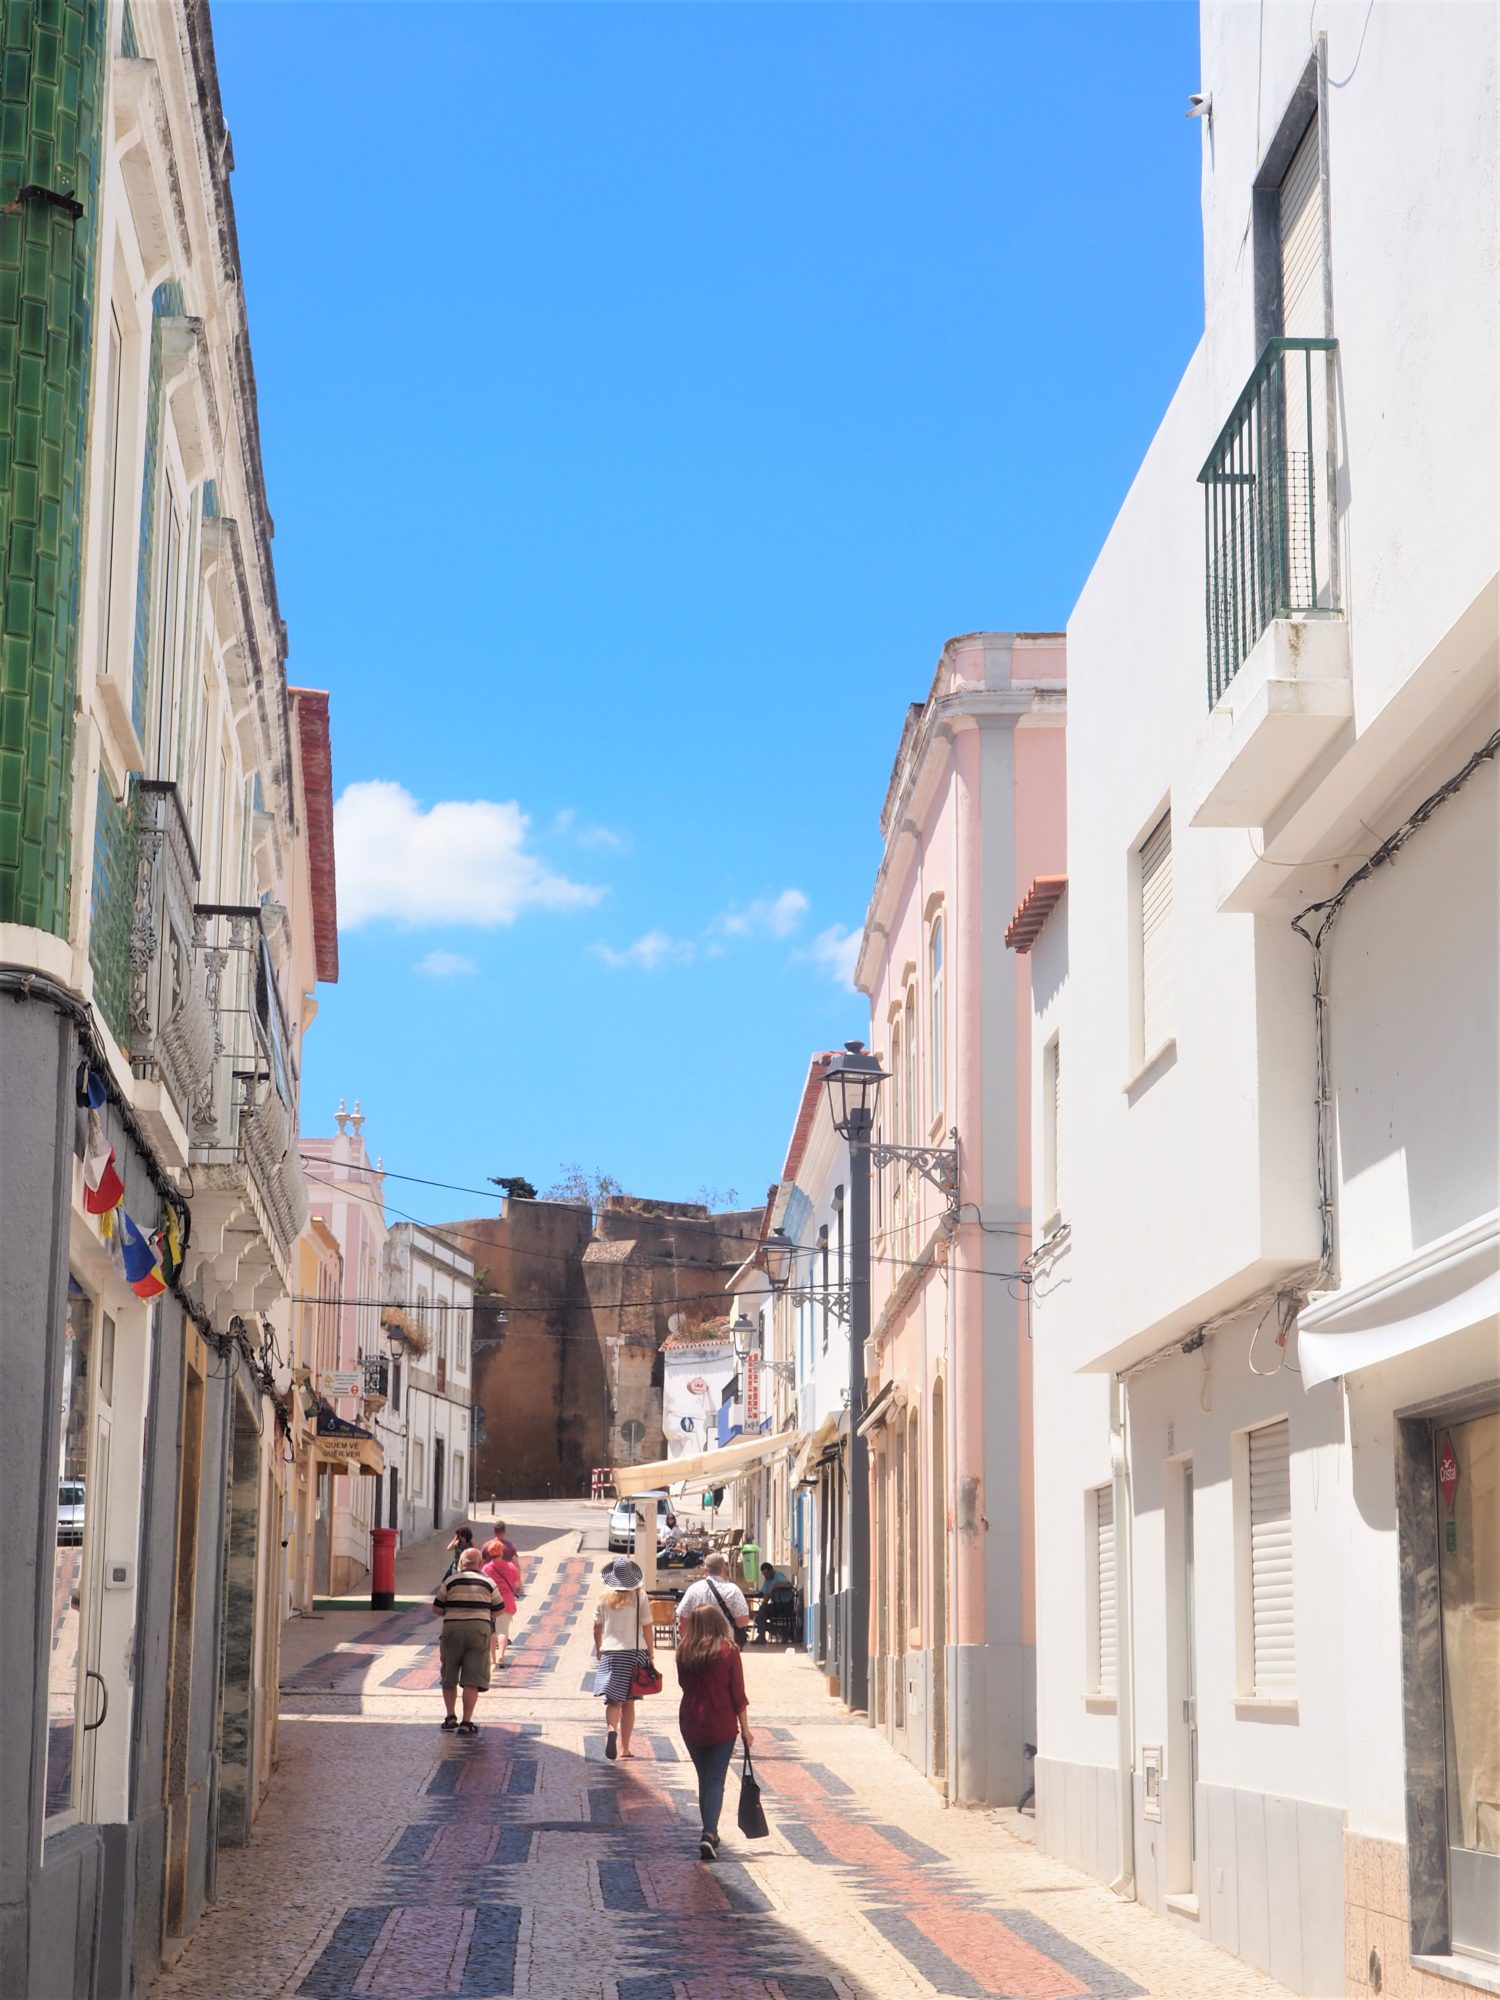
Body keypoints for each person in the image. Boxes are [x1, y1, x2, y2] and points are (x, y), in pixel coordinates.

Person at [675, 1601, 752, 1861]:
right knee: (716, 1779)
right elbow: (737, 1693)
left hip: (691, 1720)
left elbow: (683, 1684)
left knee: (703, 1778)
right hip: (721, 1721)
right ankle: (709, 1832)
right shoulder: (728, 1651)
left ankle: (710, 1833)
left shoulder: (683, 1651)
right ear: (718, 1623)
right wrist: (746, 1729)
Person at [591, 1556, 655, 1761]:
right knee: (629, 1703)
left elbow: (596, 1625)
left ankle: (611, 1730)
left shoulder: (604, 1596)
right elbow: (647, 1626)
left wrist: (599, 1648)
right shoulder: (640, 1595)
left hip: (611, 1652)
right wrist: (650, 1654)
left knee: (613, 1701)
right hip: (634, 1653)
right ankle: (625, 1748)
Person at [432, 1547, 501, 1735]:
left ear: (461, 1564)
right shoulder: (488, 1582)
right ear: (480, 1564)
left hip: (453, 1630)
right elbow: (499, 1608)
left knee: (449, 1675)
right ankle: (466, 1722)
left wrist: (453, 1610)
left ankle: (450, 1717)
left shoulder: (450, 1581)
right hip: (479, 1630)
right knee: (472, 1678)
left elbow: (437, 1608)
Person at [675, 1553, 750, 1644]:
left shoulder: (693, 1589)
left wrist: (688, 1646)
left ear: (705, 1570)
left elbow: (682, 1625)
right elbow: (742, 1621)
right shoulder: (733, 1590)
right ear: (724, 1568)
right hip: (725, 1647)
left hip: (699, 1648)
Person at [481, 1542, 520, 1666]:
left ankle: (492, 1659)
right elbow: (517, 1584)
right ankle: (501, 1656)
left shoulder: (486, 1568)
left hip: (491, 1602)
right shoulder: (510, 1566)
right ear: (502, 1552)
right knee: (503, 1631)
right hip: (506, 1602)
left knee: (492, 1632)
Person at [754, 1561, 794, 1643]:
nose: (765, 1576)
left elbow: (789, 1585)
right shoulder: (767, 1580)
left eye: (766, 1573)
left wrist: (775, 1586)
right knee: (759, 1617)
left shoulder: (779, 1576)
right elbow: (766, 1595)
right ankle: (779, 1631)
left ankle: (762, 1637)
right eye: (763, 1574)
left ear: (771, 1570)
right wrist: (761, 1608)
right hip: (776, 1605)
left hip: (785, 1605)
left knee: (762, 1612)